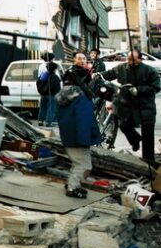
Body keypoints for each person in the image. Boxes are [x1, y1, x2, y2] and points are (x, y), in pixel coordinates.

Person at [97, 49, 160, 166]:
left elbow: (156, 87)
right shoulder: (122, 68)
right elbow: (110, 74)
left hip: (145, 106)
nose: (131, 62)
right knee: (124, 125)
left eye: (134, 60)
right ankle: (135, 141)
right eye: (129, 59)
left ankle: (149, 164)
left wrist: (139, 90)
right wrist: (99, 75)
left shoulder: (149, 71)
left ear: (140, 59)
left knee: (148, 137)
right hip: (128, 106)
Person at [56, 52, 102, 198]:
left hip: (70, 136)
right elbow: (84, 120)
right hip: (77, 138)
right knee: (84, 165)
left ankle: (73, 182)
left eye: (84, 58)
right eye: (79, 58)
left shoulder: (66, 97)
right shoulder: (81, 98)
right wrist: (85, 139)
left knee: (78, 163)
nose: (82, 60)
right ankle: (72, 187)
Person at [36, 53, 61, 127]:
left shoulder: (43, 74)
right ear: (55, 69)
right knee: (51, 108)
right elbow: (56, 87)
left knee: (42, 107)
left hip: (43, 94)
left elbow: (39, 82)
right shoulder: (55, 76)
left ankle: (40, 120)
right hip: (52, 95)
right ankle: (48, 122)